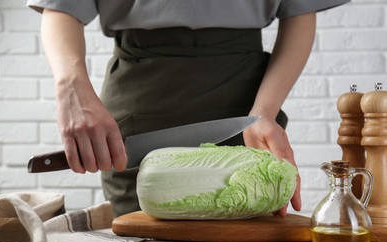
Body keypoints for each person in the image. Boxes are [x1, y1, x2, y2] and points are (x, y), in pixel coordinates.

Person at [27, 0, 350, 217]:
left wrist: (264, 111)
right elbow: (61, 6)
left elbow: (300, 10)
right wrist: (70, 86)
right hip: (140, 99)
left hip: (250, 106)